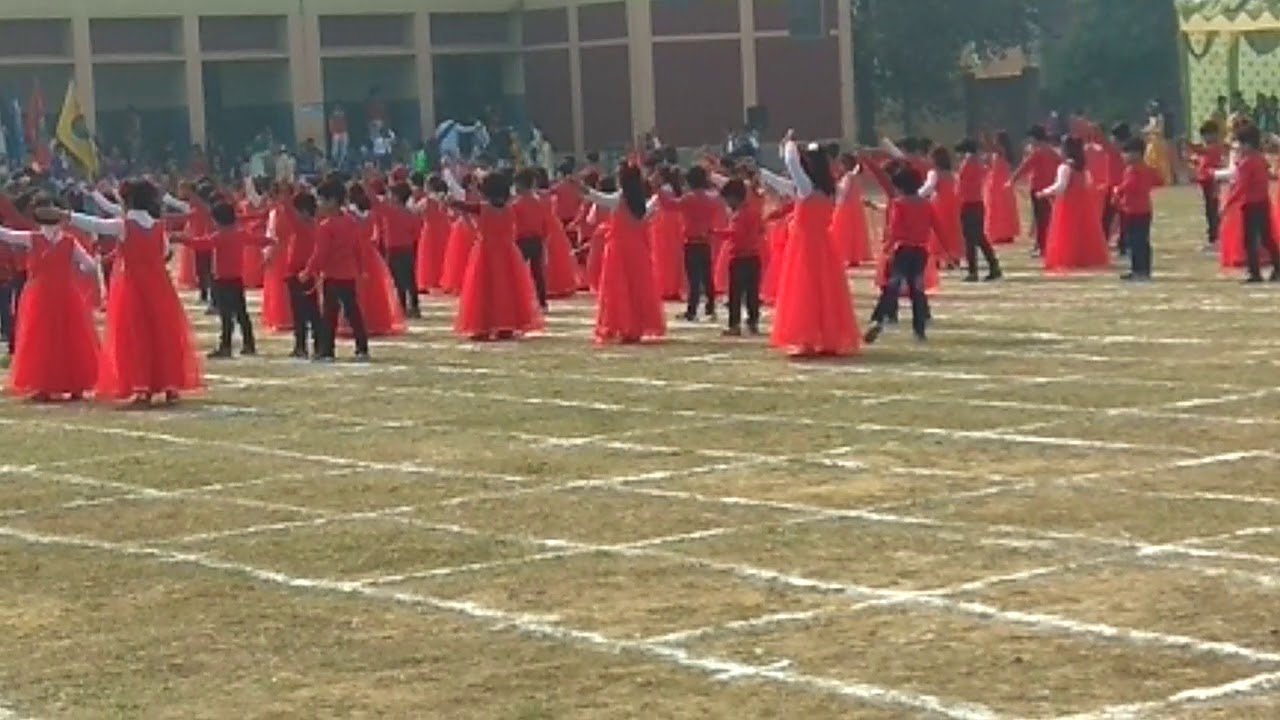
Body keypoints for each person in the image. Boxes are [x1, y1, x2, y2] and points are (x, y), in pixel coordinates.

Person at [63, 179, 203, 405]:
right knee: (163, 333)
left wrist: (67, 216)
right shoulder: (158, 226)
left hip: (132, 286)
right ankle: (169, 384)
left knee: (135, 334)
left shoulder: (124, 225)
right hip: (159, 285)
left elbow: (97, 224)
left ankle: (142, 386)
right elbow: (165, 252)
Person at [758, 132, 859, 358]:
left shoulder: (807, 188)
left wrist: (789, 144)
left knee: (805, 291)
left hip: (805, 246)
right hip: (825, 245)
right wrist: (763, 173)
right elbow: (786, 183)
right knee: (825, 292)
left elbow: (792, 165)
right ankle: (825, 336)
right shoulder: (831, 190)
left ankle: (807, 337)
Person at [0, 193, 100, 400]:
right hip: (66, 293)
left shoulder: (32, 238)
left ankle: (43, 386)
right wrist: (73, 272)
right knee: (70, 338)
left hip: (39, 295)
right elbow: (90, 266)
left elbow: (6, 235)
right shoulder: (70, 241)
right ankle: (76, 386)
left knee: (40, 339)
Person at [449, 170, 544, 341]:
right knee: (506, 289)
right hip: (508, 253)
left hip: (486, 252)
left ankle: (483, 326)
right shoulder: (510, 208)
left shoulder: (483, 208)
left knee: (485, 289)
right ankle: (506, 325)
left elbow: (464, 206)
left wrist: (450, 201)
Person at [580, 163, 665, 344]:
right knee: (637, 289)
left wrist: (583, 189)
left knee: (618, 290)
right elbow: (648, 213)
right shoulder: (639, 201)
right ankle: (636, 326)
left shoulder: (621, 198)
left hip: (618, 250)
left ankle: (624, 326)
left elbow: (601, 199)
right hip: (638, 251)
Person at [863, 164, 941, 344]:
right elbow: (937, 227)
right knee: (917, 291)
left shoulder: (900, 204)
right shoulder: (926, 205)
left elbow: (896, 229)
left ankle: (879, 319)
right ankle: (919, 330)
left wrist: (888, 248)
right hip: (920, 251)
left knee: (891, 287)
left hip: (902, 250)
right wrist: (947, 250)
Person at [302, 178, 369, 361]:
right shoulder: (350, 222)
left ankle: (327, 350)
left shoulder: (326, 227)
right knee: (353, 312)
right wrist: (361, 269)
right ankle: (362, 348)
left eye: (321, 200)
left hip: (332, 276)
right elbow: (358, 248)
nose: (319, 204)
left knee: (329, 315)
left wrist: (308, 271)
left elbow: (320, 253)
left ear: (332, 201)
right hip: (349, 275)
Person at [189, 201, 264, 358]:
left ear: (217, 220)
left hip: (221, 281)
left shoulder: (218, 236)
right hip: (237, 280)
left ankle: (226, 346)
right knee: (242, 314)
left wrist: (182, 239)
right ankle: (249, 344)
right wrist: (271, 240)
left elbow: (200, 244)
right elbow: (257, 240)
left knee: (226, 316)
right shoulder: (240, 234)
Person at [1034, 136, 1111, 273]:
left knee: (1067, 233)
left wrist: (1043, 193)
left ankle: (1069, 259)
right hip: (1083, 204)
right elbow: (1089, 184)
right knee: (1082, 232)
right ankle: (1083, 258)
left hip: (1067, 205)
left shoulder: (1064, 167)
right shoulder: (1082, 168)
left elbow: (1060, 187)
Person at [1216, 124, 1280, 283]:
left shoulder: (1246, 163)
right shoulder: (1260, 159)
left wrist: (1227, 204)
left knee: (1249, 241)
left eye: (1239, 143)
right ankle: (1278, 268)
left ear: (1247, 144)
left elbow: (1240, 187)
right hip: (1263, 203)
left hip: (1251, 205)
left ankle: (1255, 273)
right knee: (1267, 239)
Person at [713, 178, 763, 336]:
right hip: (754, 257)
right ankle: (753, 321)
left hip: (740, 257)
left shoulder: (739, 215)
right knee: (752, 293)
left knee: (735, 293)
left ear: (734, 198)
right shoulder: (754, 211)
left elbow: (735, 234)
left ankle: (734, 324)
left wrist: (714, 232)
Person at [1112, 138, 1163, 281]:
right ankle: (1143, 270)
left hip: (1133, 211)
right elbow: (1159, 180)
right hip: (1145, 210)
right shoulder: (1147, 169)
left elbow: (1130, 186)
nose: (1124, 156)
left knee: (1134, 242)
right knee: (1142, 241)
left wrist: (1118, 190)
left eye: (1126, 153)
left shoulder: (1132, 170)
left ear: (1137, 154)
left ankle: (1138, 270)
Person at [954, 139, 1002, 281]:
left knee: (970, 239)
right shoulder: (979, 162)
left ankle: (973, 271)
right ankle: (994, 266)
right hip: (977, 202)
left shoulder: (968, 162)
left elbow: (961, 184)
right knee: (979, 238)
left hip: (968, 203)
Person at [1009, 125, 1060, 257]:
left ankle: (1043, 247)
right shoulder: (1051, 151)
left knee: (1041, 220)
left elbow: (1025, 166)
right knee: (1046, 218)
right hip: (1050, 188)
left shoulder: (1038, 151)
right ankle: (1041, 244)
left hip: (1038, 188)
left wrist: (1012, 179)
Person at [1185, 121, 1225, 253]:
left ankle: (1216, 238)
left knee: (1212, 211)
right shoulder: (1209, 147)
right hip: (1205, 183)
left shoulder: (1214, 147)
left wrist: (1187, 143)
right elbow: (1200, 157)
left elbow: (1199, 150)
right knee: (1210, 211)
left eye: (1207, 135)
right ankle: (1214, 237)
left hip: (1212, 183)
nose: (1205, 138)